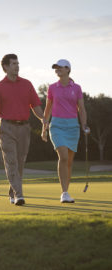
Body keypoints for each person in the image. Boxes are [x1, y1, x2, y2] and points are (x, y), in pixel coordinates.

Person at [0, 53, 45, 206]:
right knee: (11, 162)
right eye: (14, 64)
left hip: (24, 128)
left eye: (18, 63)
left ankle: (12, 190)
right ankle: (19, 195)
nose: (17, 66)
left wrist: (44, 120)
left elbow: (36, 106)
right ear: (6, 67)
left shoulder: (27, 84)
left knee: (20, 163)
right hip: (6, 128)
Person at [41, 59, 90, 203]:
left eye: (60, 67)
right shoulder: (52, 88)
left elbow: (81, 108)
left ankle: (66, 192)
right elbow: (48, 108)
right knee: (62, 156)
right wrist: (44, 128)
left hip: (73, 127)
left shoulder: (77, 88)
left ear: (68, 69)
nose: (57, 70)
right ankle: (64, 193)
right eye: (55, 68)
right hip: (56, 125)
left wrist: (84, 125)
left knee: (68, 161)